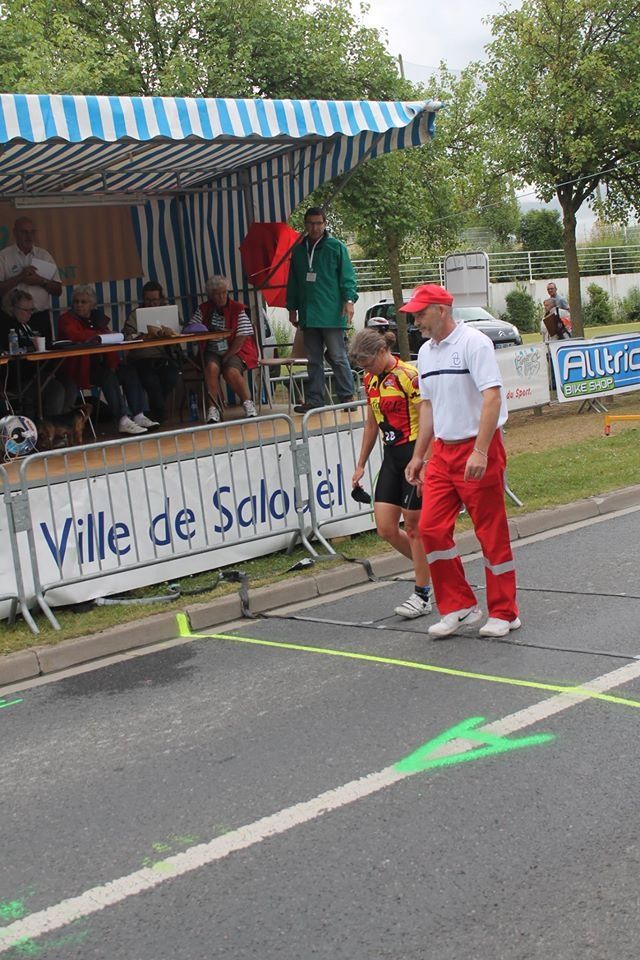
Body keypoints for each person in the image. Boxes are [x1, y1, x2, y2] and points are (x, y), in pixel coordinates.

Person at [402, 283, 519, 640]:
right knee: (431, 528)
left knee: (490, 532)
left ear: (442, 310)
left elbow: (492, 398)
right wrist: (419, 456)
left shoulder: (474, 343)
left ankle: (504, 612)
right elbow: (428, 406)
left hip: (478, 446)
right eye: (414, 315)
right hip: (442, 452)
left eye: (421, 313)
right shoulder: (426, 352)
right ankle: (459, 605)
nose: (416, 321)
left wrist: (480, 451)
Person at [349, 328, 432, 619]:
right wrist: (360, 464)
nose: (366, 369)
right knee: (385, 528)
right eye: (361, 366)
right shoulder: (369, 379)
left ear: (383, 351)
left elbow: (428, 419)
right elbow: (371, 424)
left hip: (414, 453)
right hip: (391, 457)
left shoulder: (408, 376)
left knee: (414, 527)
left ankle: (422, 593)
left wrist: (424, 460)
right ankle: (436, 568)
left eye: (368, 362)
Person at [59, 285, 158, 435]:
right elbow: (75, 335)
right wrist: (98, 335)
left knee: (128, 371)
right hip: (81, 368)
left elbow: (108, 339)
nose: (79, 305)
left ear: (91, 305)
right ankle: (122, 419)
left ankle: (139, 415)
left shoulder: (97, 318)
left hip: (102, 363)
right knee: (108, 376)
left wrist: (113, 363)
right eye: (76, 302)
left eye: (83, 302)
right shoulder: (66, 319)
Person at [286, 207, 357, 412]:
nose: (315, 227)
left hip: (331, 312)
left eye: (318, 223)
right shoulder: (299, 250)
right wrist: (292, 308)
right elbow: (293, 283)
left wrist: (349, 300)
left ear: (325, 224)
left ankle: (347, 397)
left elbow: (347, 276)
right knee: (313, 359)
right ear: (305, 225)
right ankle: (315, 399)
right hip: (309, 314)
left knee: (337, 355)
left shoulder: (336, 247)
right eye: (311, 223)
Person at [189, 275, 258, 423]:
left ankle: (248, 402)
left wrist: (227, 356)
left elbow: (241, 337)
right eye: (217, 294)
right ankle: (213, 409)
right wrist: (198, 328)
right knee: (211, 369)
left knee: (231, 372)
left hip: (235, 350)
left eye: (224, 292)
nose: (221, 296)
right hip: (212, 350)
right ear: (211, 295)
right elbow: (191, 328)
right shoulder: (204, 309)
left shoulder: (238, 308)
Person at [0, 289, 77, 418]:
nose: (29, 314)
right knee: (55, 389)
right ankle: (49, 426)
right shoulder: (6, 326)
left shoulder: (29, 325)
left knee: (70, 385)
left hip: (38, 373)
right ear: (13, 308)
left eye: (32, 310)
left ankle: (63, 424)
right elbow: (13, 351)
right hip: (18, 378)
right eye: (25, 310)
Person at [122, 281, 180, 424]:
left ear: (161, 298)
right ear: (143, 299)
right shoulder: (135, 315)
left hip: (165, 357)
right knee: (150, 380)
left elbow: (181, 329)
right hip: (141, 358)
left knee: (171, 377)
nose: (151, 303)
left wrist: (170, 332)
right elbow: (126, 335)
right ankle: (159, 413)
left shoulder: (169, 312)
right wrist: (141, 335)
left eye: (155, 300)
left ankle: (156, 411)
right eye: (148, 300)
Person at [0, 217, 62, 338]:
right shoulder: (4, 256)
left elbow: (58, 290)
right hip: (12, 320)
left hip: (39, 318)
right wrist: (20, 277)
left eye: (32, 232)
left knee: (45, 350)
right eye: (24, 232)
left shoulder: (44, 256)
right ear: (15, 233)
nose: (29, 236)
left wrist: (41, 281)